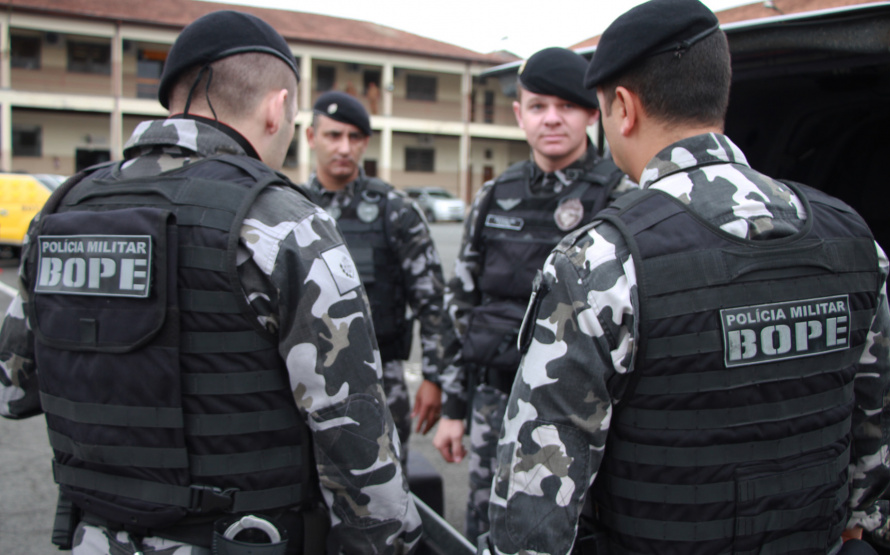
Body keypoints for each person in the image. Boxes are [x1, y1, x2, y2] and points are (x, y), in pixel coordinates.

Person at [484, 1, 890, 554]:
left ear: (624, 109)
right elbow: (875, 423)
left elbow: (533, 506)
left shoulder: (602, 259)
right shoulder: (850, 236)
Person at [0, 10, 421, 555]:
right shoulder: (283, 220)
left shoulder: (62, 209)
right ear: (278, 108)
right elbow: (355, 437)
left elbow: (14, 388)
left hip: (94, 537)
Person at [431, 46, 628, 541]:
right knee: (486, 524)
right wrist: (455, 408)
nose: (552, 119)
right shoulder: (495, 194)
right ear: (519, 114)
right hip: (494, 400)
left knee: (572, 531)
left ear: (591, 112)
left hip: (579, 410)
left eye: (566, 106)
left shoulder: (619, 194)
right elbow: (463, 303)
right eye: (538, 106)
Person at [305, 91, 446, 466]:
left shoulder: (394, 210)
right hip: (306, 381)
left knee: (386, 484)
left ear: (366, 142)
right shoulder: (291, 208)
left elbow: (432, 300)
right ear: (310, 137)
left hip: (382, 382)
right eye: (333, 135)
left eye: (354, 137)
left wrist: (433, 377)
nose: (344, 147)